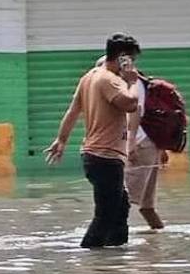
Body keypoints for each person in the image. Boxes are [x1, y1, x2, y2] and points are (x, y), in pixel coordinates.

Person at [45, 33, 141, 249]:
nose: (133, 65)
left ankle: (116, 253)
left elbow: (72, 111)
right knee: (106, 215)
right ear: (124, 58)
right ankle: (92, 258)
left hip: (95, 156)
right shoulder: (110, 80)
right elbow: (130, 103)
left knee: (121, 206)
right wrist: (132, 81)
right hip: (105, 156)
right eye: (132, 60)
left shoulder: (90, 76)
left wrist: (61, 140)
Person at [125, 73, 167, 231]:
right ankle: (158, 237)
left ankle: (112, 237)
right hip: (150, 144)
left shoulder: (132, 85)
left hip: (139, 146)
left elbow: (136, 110)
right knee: (146, 207)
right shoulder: (141, 83)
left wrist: (130, 145)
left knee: (121, 199)